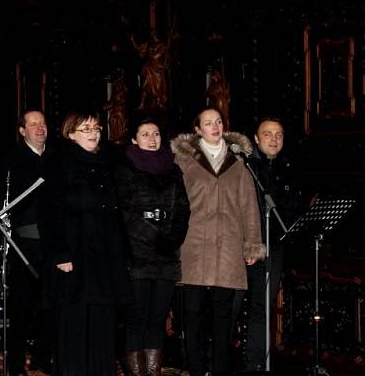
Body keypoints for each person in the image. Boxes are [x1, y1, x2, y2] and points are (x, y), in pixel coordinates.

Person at [170, 107, 264, 375]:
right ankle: (197, 369)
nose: (215, 127)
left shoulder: (238, 162)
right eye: (208, 123)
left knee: (225, 318)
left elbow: (249, 207)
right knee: (193, 315)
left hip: (228, 247)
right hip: (194, 246)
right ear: (197, 129)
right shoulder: (184, 162)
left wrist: (252, 244)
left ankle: (221, 369)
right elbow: (175, 205)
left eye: (219, 121)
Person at [38, 110, 132, 376]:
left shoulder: (108, 163)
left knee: (103, 327)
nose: (93, 133)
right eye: (86, 129)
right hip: (74, 257)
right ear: (70, 134)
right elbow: (49, 213)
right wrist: (60, 254)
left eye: (97, 128)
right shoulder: (57, 162)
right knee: (75, 326)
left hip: (104, 258)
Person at [115, 117, 190, 376]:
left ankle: (153, 371)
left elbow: (183, 210)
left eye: (156, 134)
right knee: (137, 318)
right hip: (137, 256)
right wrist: (156, 237)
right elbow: (127, 214)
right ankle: (136, 372)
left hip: (167, 257)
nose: (152, 139)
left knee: (158, 319)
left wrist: (172, 238)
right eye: (145, 134)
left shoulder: (173, 169)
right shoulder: (125, 170)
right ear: (135, 139)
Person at [238, 117, 302, 371]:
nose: (274, 139)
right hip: (247, 246)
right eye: (267, 134)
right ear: (255, 138)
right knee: (235, 306)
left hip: (275, 246)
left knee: (262, 306)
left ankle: (258, 363)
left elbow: (292, 209)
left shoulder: (288, 166)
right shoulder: (246, 167)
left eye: (279, 134)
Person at [0, 109, 52, 375]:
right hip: (23, 244)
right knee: (21, 307)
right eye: (33, 124)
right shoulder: (12, 160)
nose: (40, 128)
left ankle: (43, 358)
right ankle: (16, 363)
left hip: (52, 242)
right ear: (22, 131)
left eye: (42, 123)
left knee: (50, 305)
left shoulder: (56, 158)